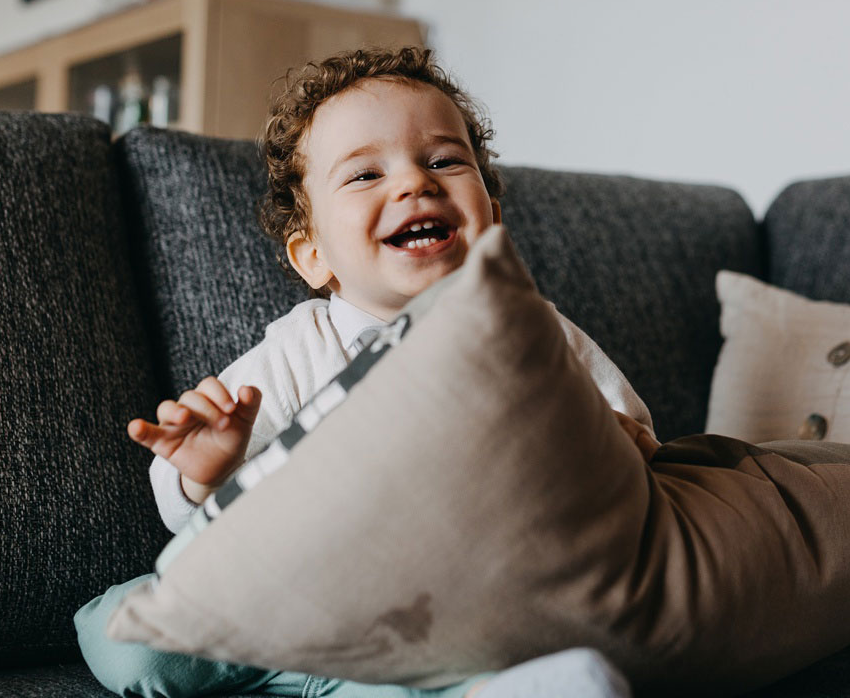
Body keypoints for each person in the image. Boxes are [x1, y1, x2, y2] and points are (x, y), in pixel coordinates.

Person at [75, 47, 656, 698]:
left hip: (441, 617)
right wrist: (205, 471)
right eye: (364, 175)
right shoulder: (301, 347)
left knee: (437, 674)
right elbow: (194, 520)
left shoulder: (533, 329)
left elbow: (632, 443)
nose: (414, 183)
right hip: (292, 609)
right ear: (314, 255)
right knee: (131, 644)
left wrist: (597, 438)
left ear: (491, 215)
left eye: (443, 160)